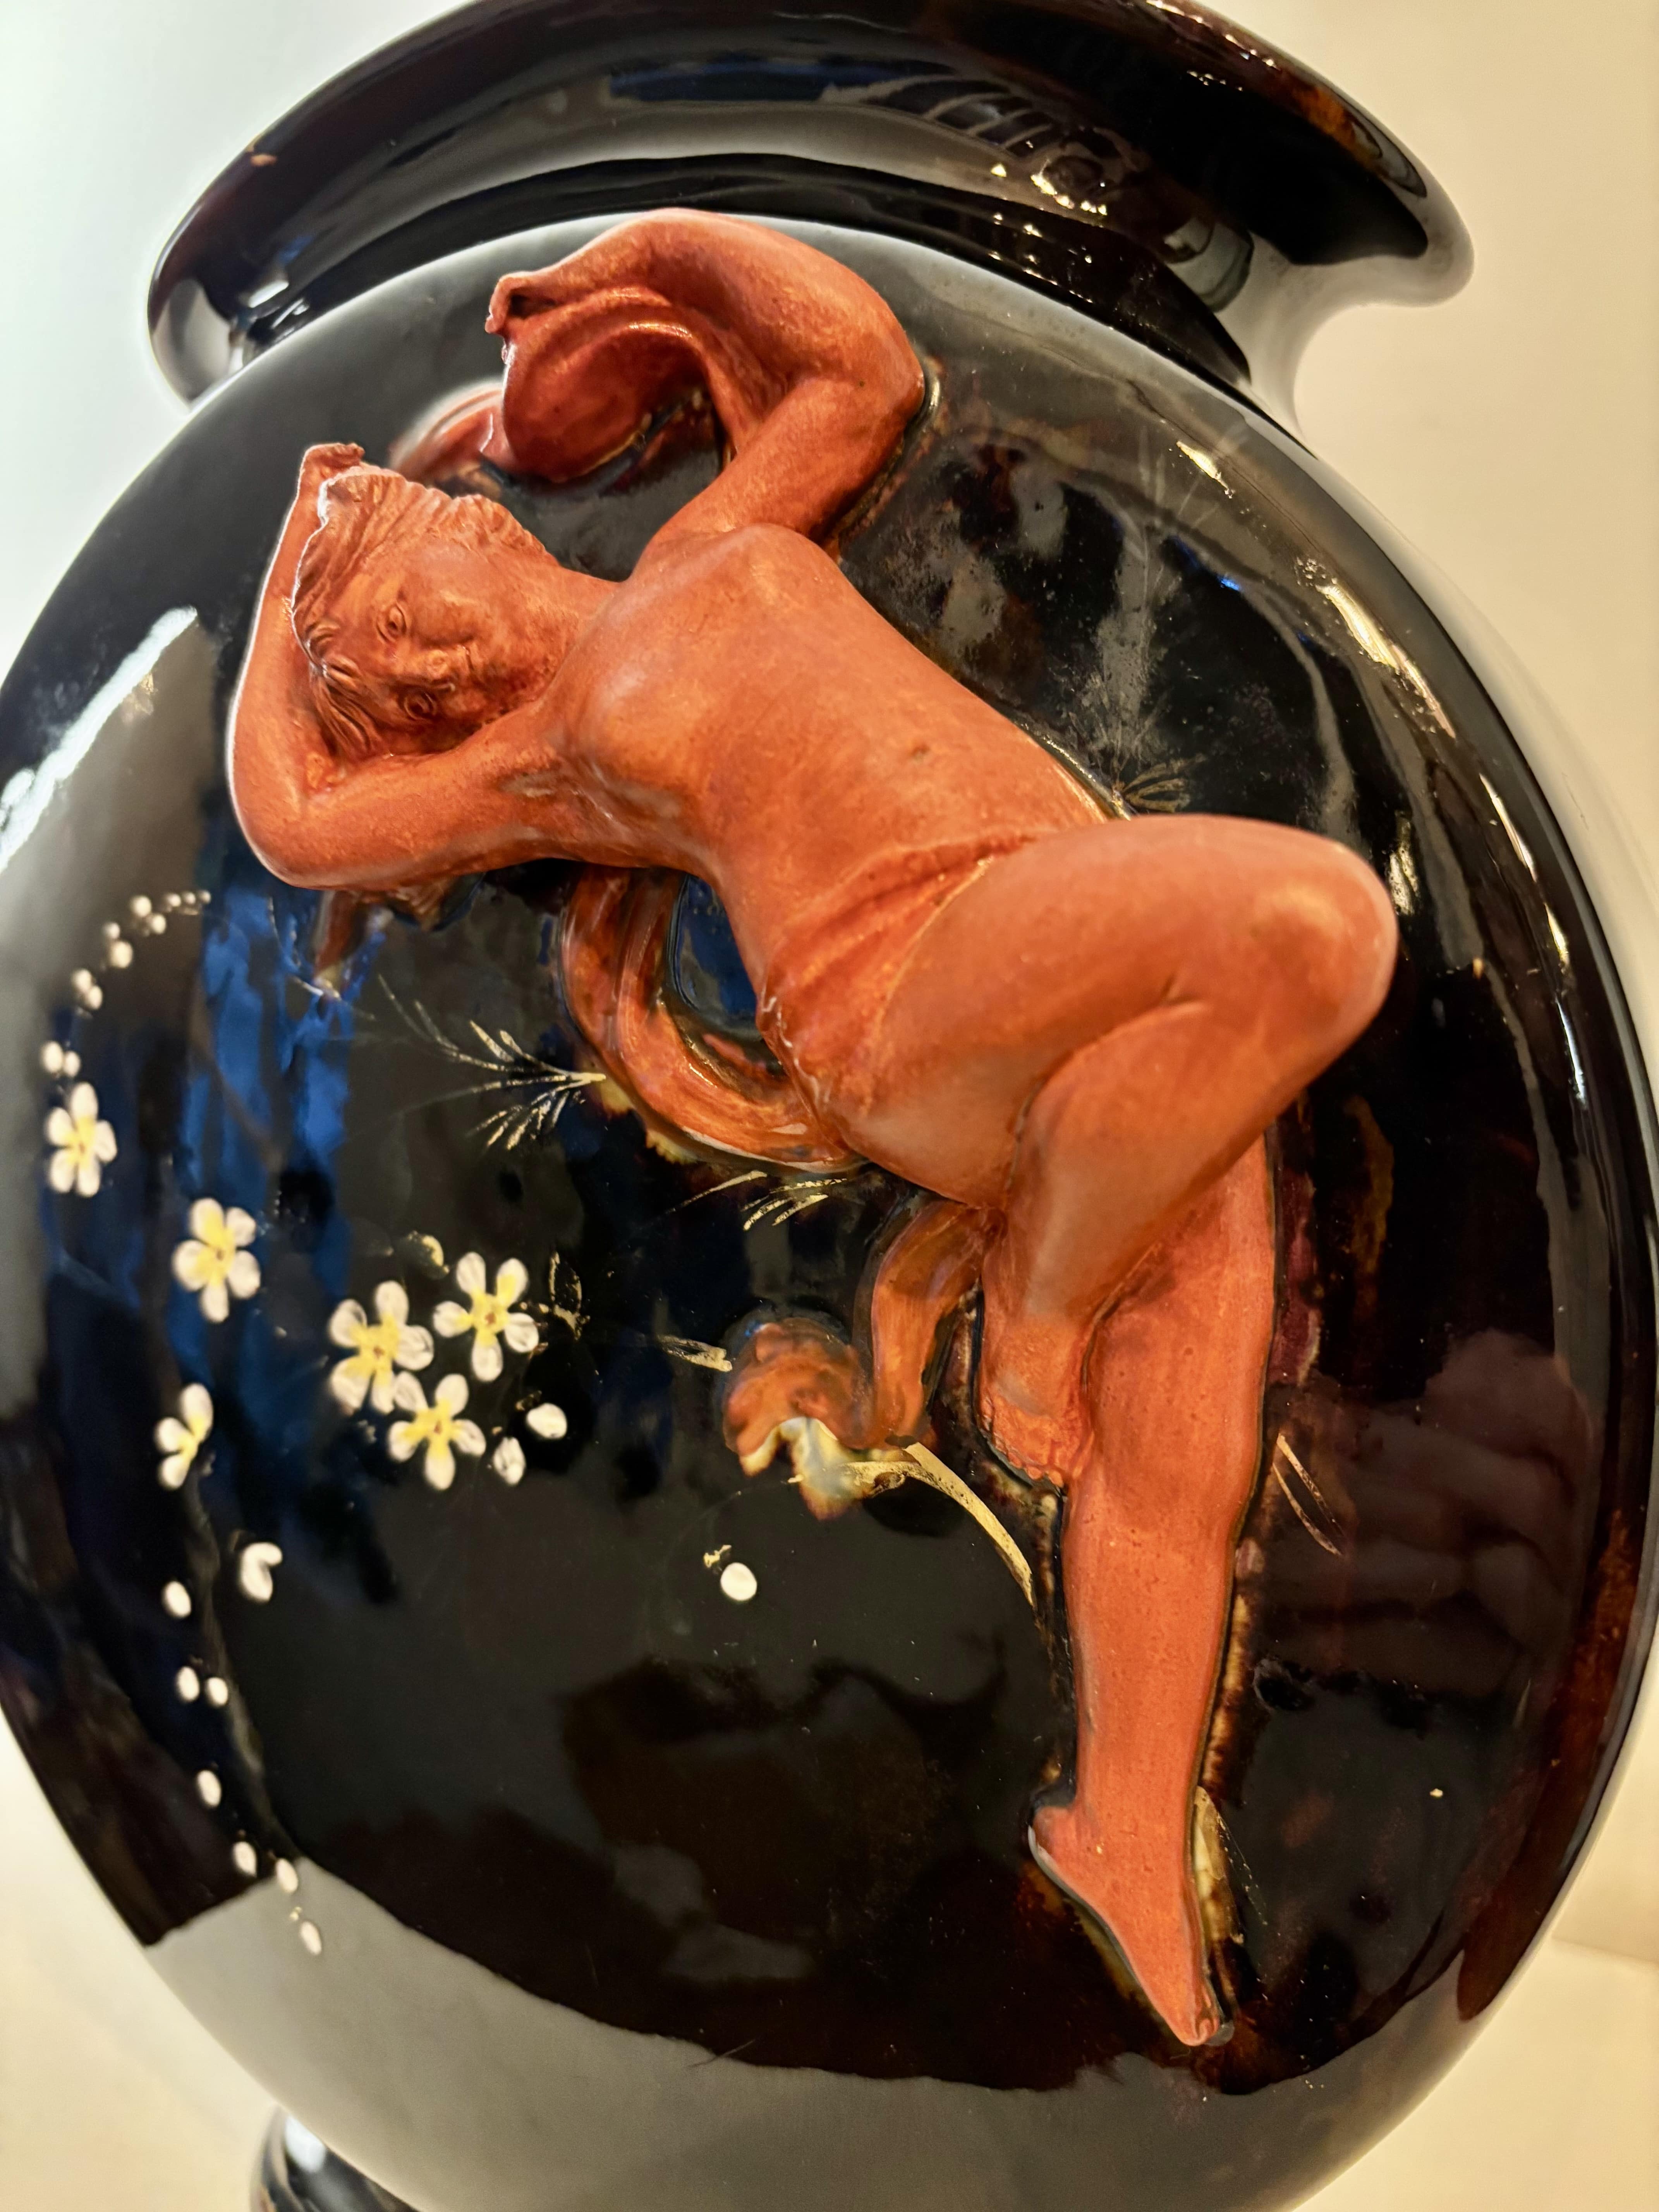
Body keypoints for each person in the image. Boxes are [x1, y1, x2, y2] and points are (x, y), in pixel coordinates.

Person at [228, 212, 1397, 2046]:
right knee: (1311, 934)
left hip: (1081, 948)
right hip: (914, 983)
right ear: (409, 651)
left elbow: (856, 365)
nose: (450, 517)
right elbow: (299, 822)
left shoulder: (711, 542)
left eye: (422, 505)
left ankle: (1122, 1835)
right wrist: (287, 550)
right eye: (402, 547)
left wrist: (639, 263)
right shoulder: (549, 750)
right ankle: (1042, 1298)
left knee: (1185, 1444)